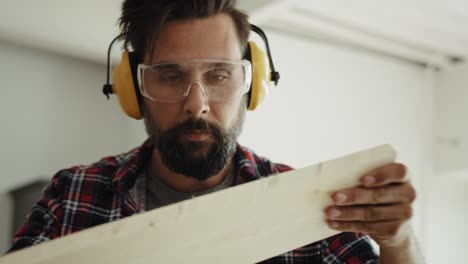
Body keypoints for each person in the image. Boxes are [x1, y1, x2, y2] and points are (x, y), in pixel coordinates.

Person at [7, 0, 423, 262]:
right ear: (134, 91)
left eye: (219, 74)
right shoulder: (73, 194)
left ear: (253, 83)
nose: (196, 103)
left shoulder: (307, 206)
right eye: (170, 76)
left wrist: (398, 241)